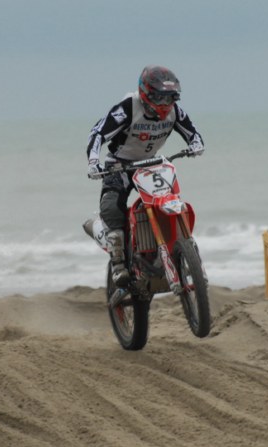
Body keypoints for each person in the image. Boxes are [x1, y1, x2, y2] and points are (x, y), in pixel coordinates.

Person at [86, 65, 205, 286]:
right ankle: (119, 264)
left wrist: (196, 145)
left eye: (169, 98)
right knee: (112, 208)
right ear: (146, 93)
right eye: (159, 98)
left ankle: (174, 247)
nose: (164, 104)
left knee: (168, 201)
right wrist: (94, 162)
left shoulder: (175, 111)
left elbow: (193, 133)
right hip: (119, 164)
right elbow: (98, 133)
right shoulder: (128, 108)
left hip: (152, 164)